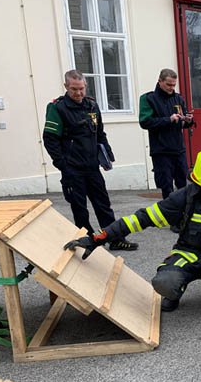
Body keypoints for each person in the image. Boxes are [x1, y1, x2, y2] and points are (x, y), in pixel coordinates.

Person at [64, 149, 201, 318]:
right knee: (165, 283)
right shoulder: (182, 200)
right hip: (189, 254)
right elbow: (140, 219)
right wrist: (98, 238)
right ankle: (175, 290)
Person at [43, 69, 137, 251]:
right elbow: (50, 139)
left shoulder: (92, 106)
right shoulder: (57, 108)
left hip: (92, 167)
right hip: (72, 169)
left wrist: (107, 155)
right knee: (80, 208)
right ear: (66, 87)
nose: (78, 93)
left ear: (85, 86)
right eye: (73, 89)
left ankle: (115, 239)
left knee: (104, 205)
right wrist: (62, 165)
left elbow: (99, 133)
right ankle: (86, 241)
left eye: (81, 89)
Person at [139, 68, 194, 209]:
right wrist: (168, 120)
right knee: (167, 187)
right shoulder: (148, 99)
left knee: (183, 185)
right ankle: (171, 217)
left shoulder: (178, 98)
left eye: (174, 85)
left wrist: (188, 120)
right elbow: (145, 122)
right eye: (168, 84)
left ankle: (184, 215)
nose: (171, 88)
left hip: (178, 149)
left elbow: (183, 119)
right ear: (160, 81)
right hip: (161, 151)